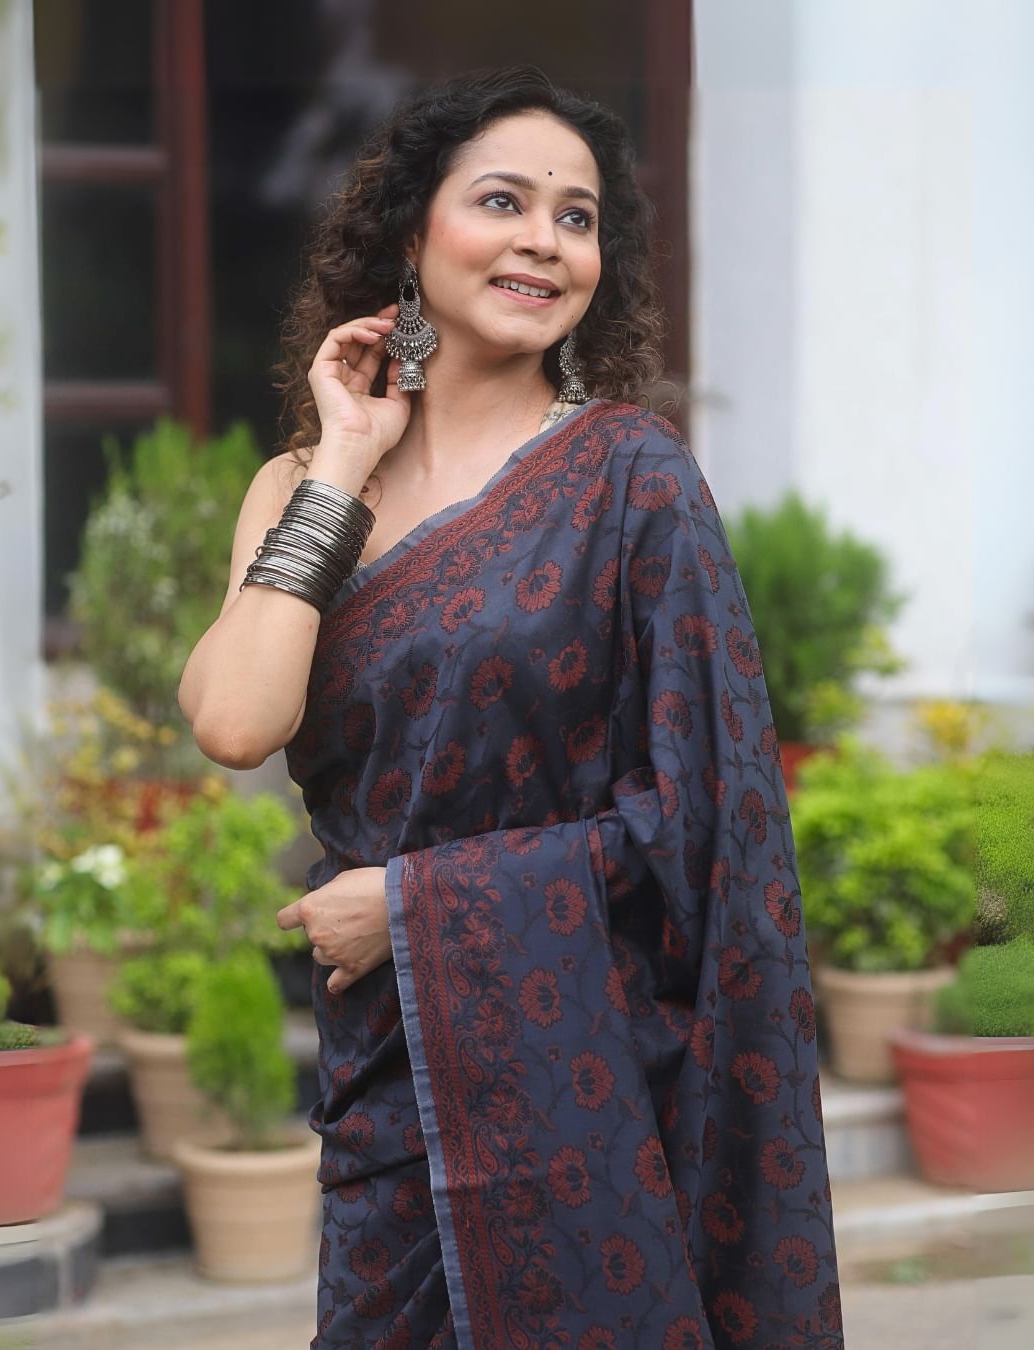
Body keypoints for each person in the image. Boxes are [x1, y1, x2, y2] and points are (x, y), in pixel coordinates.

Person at [179, 65, 843, 1350]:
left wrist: (413, 906)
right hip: (391, 1080)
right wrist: (345, 462)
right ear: (411, 233)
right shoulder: (301, 484)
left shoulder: (632, 480)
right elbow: (236, 722)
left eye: (576, 216)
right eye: (503, 201)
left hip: (592, 1078)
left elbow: (704, 821)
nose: (545, 239)